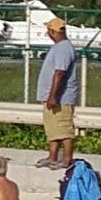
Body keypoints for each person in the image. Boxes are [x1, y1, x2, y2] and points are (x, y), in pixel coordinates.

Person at [36, 17, 83, 170]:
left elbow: (60, 73)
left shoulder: (64, 48)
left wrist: (53, 96)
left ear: (52, 31)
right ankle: (52, 157)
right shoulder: (58, 47)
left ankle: (66, 160)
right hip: (54, 97)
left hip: (61, 98)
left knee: (64, 129)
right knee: (53, 129)